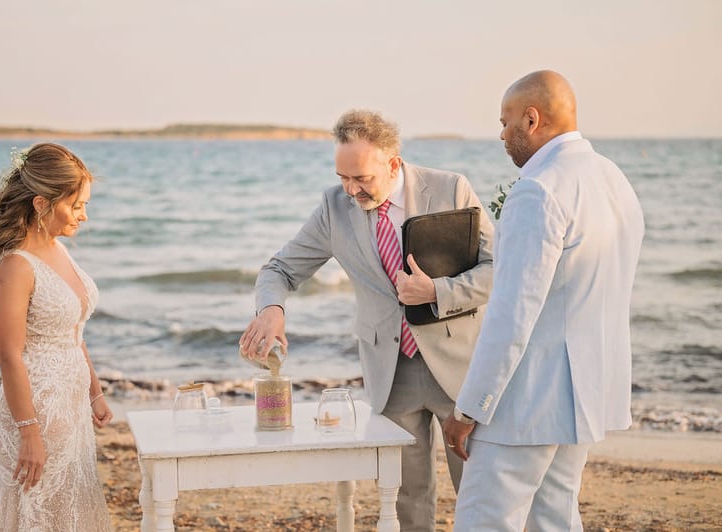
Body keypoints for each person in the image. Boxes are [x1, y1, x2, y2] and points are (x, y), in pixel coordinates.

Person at [240, 109, 494, 531]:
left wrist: (437, 292)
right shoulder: (334, 207)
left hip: (462, 368)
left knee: (480, 491)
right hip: (391, 374)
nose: (351, 190)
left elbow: (497, 267)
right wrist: (272, 308)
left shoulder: (451, 189)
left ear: (393, 163)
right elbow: (279, 268)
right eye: (343, 177)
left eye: (361, 179)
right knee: (407, 500)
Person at [442, 70, 645, 531]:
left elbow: (513, 314)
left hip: (526, 400)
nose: (501, 134)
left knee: (484, 520)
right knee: (554, 519)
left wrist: (469, 407)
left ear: (532, 119)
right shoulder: (612, 178)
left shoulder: (539, 189)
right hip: (583, 393)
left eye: (506, 121)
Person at [0, 143, 113, 531]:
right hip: (35, 412)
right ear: (40, 203)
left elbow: (72, 330)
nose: (84, 215)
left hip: (71, 408)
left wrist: (93, 390)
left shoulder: (60, 250)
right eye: (76, 205)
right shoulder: (15, 265)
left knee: (71, 514)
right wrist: (28, 432)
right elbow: (9, 356)